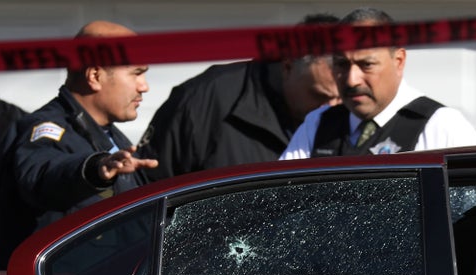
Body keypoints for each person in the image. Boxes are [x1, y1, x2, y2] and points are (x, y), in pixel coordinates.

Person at [0, 20, 158, 270]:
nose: (145, 87)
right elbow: (41, 175)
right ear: (94, 76)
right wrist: (94, 170)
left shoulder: (114, 138)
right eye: (136, 73)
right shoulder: (45, 129)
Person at [136, 13, 341, 181]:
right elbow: (146, 195)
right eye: (321, 97)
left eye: (343, 97)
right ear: (287, 66)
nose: (333, 108)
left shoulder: (354, 111)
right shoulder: (205, 101)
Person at [280, 7, 476, 160]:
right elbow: (280, 201)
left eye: (366, 65)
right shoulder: (317, 125)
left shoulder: (441, 126)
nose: (352, 79)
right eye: (341, 64)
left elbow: (470, 209)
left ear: (399, 61)